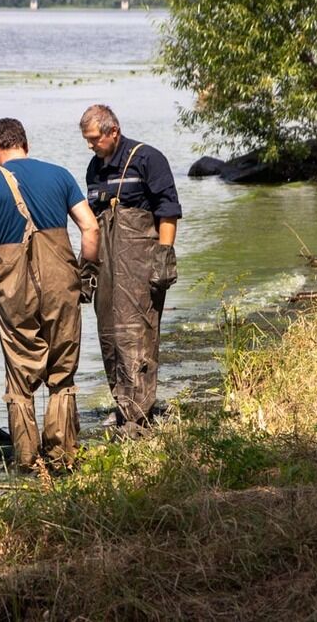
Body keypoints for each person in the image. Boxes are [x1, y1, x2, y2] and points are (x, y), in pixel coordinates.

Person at [0, 118, 100, 470]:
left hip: (14, 289)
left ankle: (27, 463)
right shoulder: (60, 175)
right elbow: (90, 227)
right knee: (61, 373)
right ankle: (63, 458)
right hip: (62, 283)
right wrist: (87, 276)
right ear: (26, 143)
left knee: (21, 381)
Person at [79, 104, 182, 435]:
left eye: (95, 139)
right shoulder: (94, 171)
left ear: (114, 132)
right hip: (107, 266)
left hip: (141, 264)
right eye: (87, 140)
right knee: (109, 335)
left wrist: (164, 257)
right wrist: (88, 271)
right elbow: (93, 224)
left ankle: (139, 415)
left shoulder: (148, 159)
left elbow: (168, 211)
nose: (91, 146)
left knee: (138, 334)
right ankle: (123, 405)